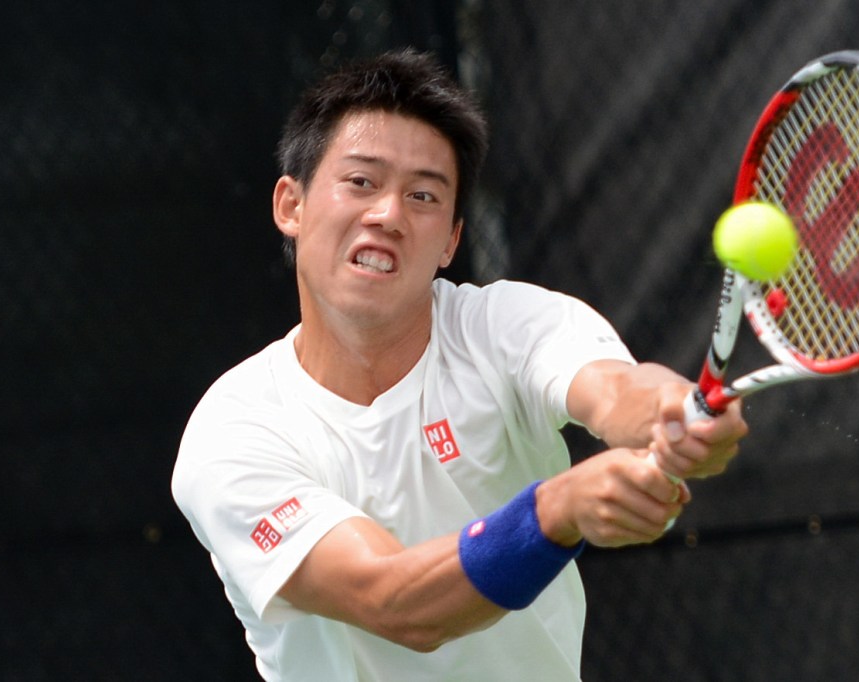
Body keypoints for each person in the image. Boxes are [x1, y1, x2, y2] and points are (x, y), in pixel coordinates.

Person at [171, 48, 747, 681]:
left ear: (450, 240)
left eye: (422, 195)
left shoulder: (503, 326)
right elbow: (394, 601)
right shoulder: (233, 431)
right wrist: (555, 511)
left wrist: (670, 414)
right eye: (361, 181)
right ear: (291, 205)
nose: (388, 214)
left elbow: (616, 392)